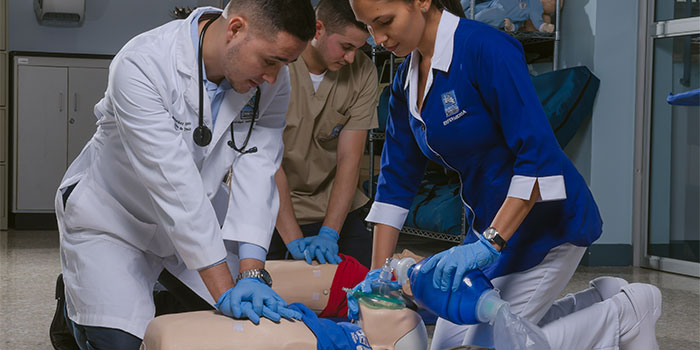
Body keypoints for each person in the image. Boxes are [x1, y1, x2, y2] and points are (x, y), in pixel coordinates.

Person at [347, 0, 662, 349]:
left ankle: (629, 312)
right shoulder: (405, 82)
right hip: (487, 229)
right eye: (368, 28)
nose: (377, 39)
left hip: (545, 225)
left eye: (385, 22)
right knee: (450, 346)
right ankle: (597, 301)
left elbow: (538, 154)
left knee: (489, 346)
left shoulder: (486, 48)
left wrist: (491, 242)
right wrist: (376, 282)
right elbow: (395, 182)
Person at [51, 1, 316, 349]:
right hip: (113, 217)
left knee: (224, 332)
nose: (273, 77)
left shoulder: (272, 82)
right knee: (122, 341)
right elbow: (174, 185)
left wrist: (252, 275)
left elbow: (258, 171)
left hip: (198, 211)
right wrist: (225, 294)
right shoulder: (142, 65)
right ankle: (71, 312)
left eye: (285, 64)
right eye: (269, 60)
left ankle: (163, 290)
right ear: (235, 28)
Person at [266, 0, 378, 268]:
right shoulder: (277, 65)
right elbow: (266, 161)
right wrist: (293, 239)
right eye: (346, 47)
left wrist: (330, 232)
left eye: (358, 48)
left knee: (361, 281)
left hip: (330, 206)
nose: (351, 58)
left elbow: (349, 161)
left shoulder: (362, 72)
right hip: (268, 202)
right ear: (318, 29)